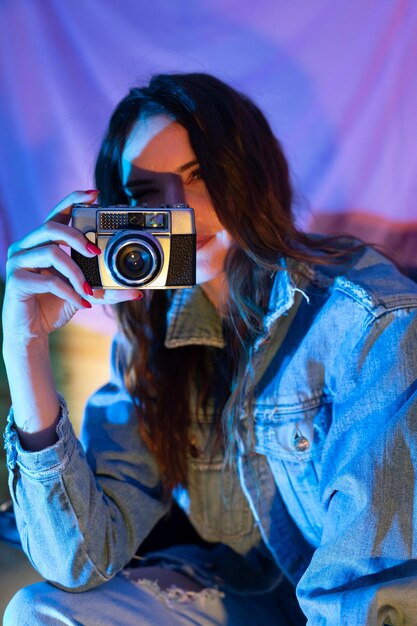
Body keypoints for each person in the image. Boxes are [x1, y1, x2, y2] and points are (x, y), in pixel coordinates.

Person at [2, 73, 417, 626]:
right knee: (37, 612)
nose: (181, 212)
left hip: (341, 611)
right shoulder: (154, 337)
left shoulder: (369, 320)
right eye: (150, 195)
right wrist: (23, 343)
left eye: (199, 176)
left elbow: (372, 595)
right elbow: (79, 560)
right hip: (243, 596)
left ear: (251, 176)